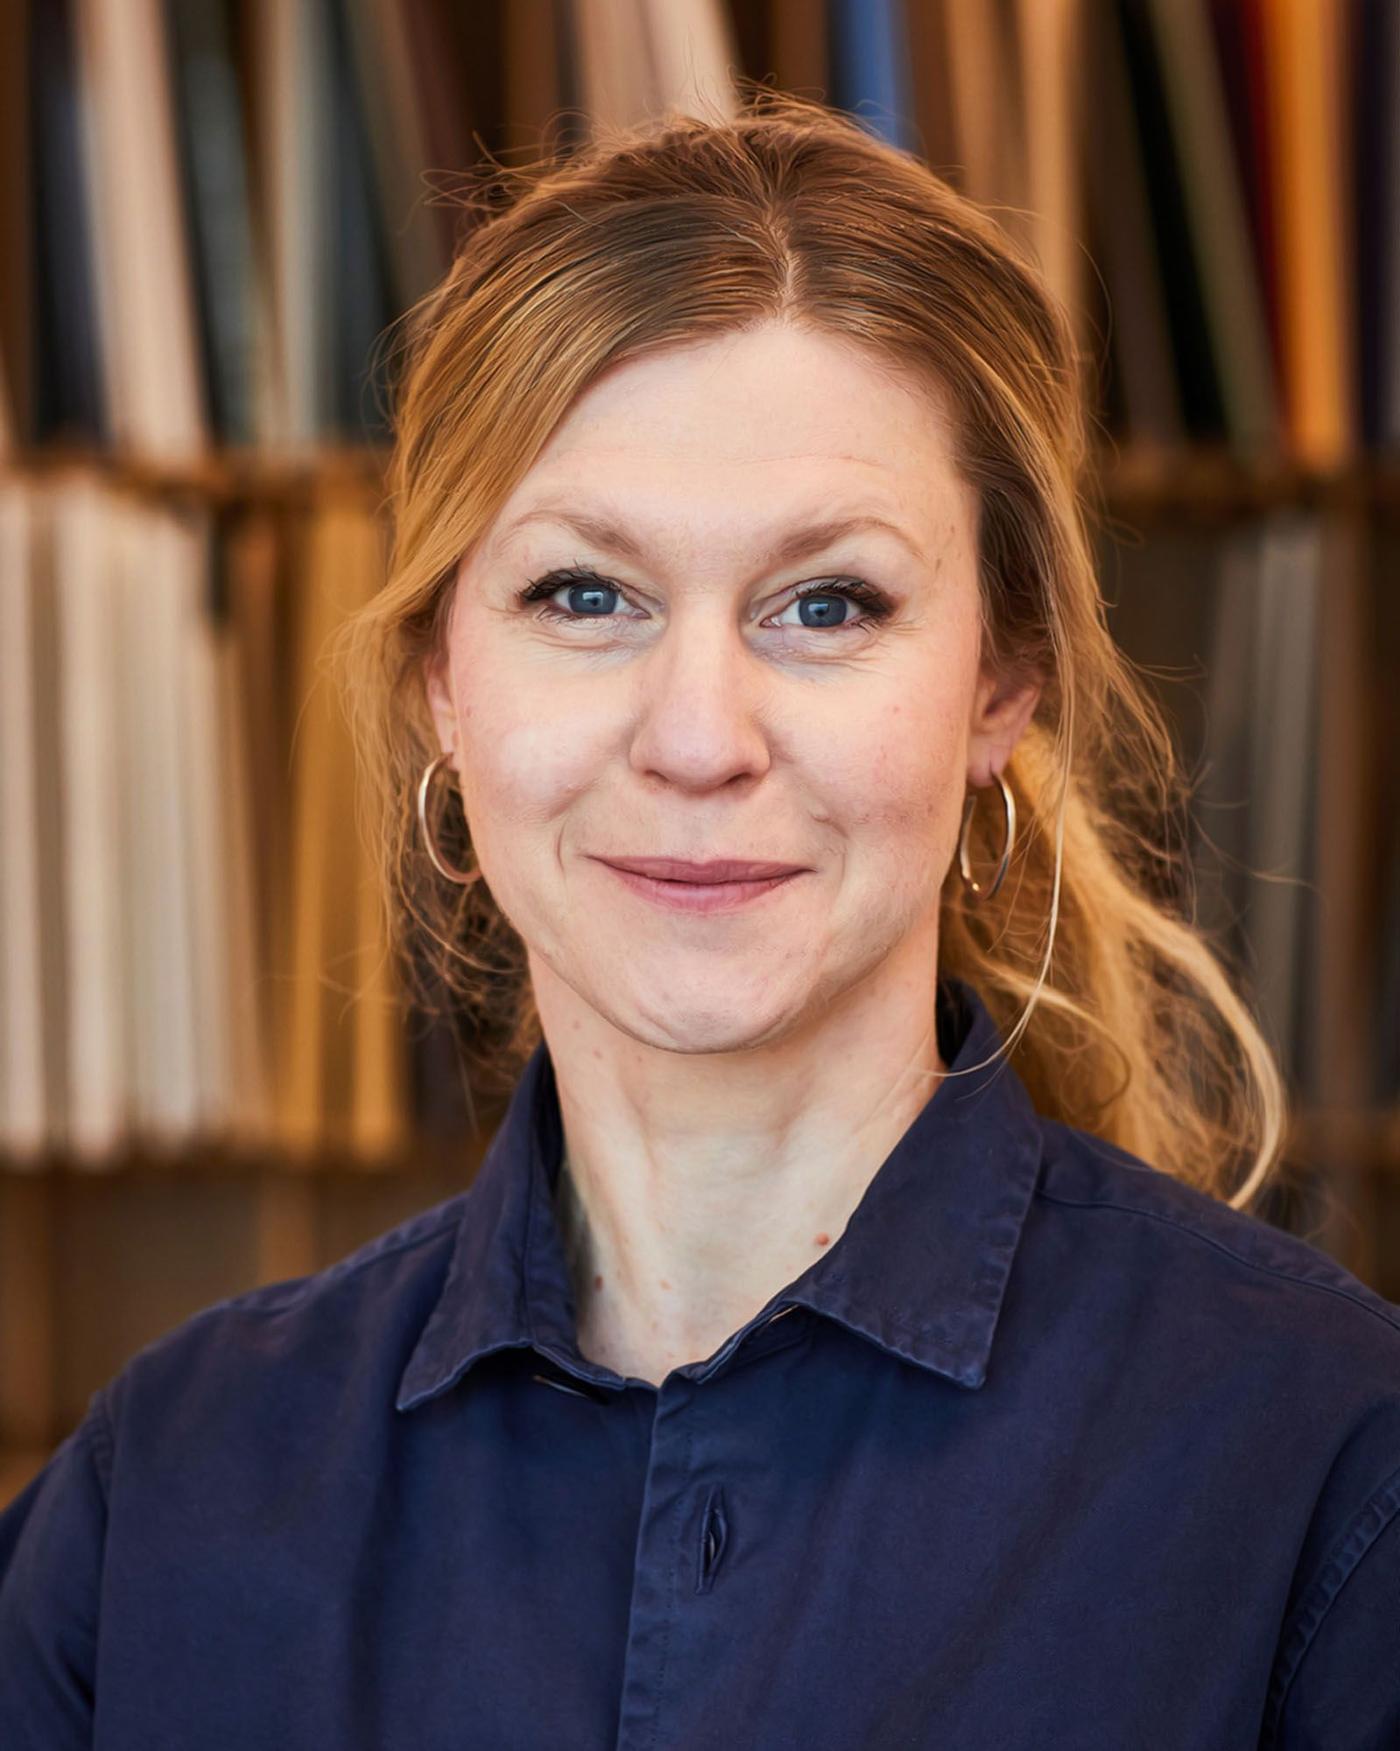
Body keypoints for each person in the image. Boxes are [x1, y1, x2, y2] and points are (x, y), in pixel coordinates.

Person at [3, 87, 1397, 1750]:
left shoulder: (1328, 1461)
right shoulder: (162, 1498)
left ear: (999, 686)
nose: (698, 736)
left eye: (829, 603)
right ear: (444, 678)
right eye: (584, 595)